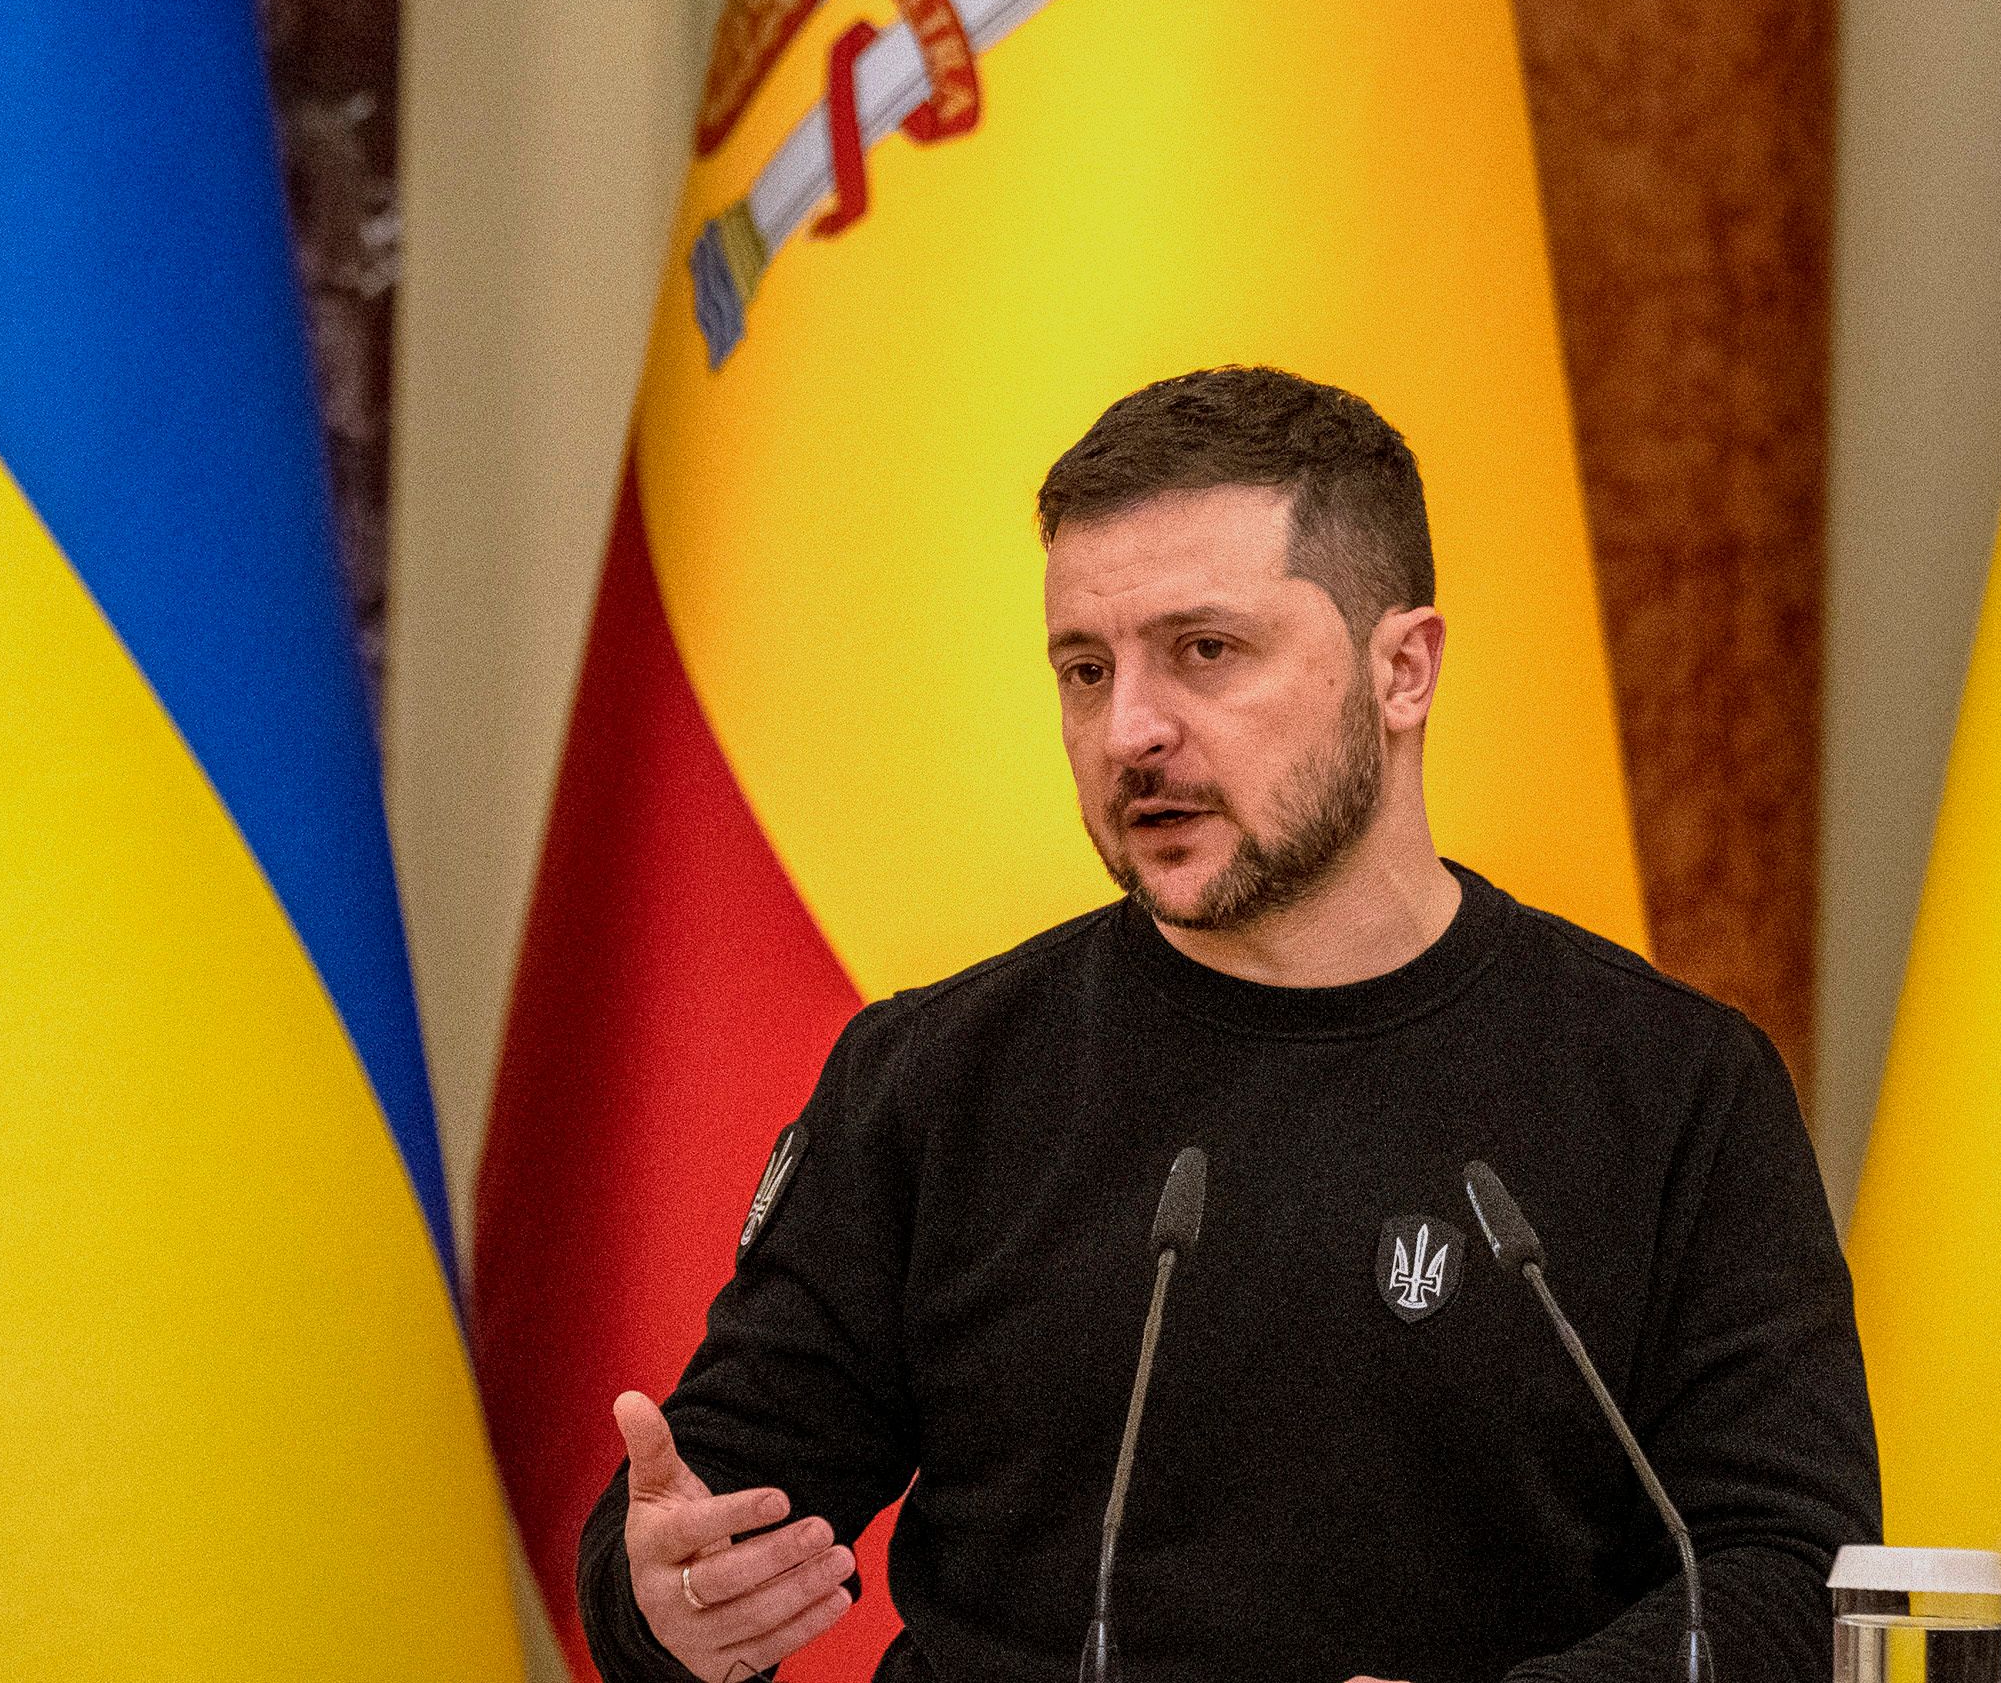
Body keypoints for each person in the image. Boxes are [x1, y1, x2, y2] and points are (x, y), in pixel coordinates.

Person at [578, 367, 1879, 1683]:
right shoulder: (937, 1078)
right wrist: (660, 1597)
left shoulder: (1668, 1092)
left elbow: (1790, 1574)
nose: (1128, 731)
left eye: (1205, 651)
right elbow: (717, 1503)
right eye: (1086, 670)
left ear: (1404, 670)